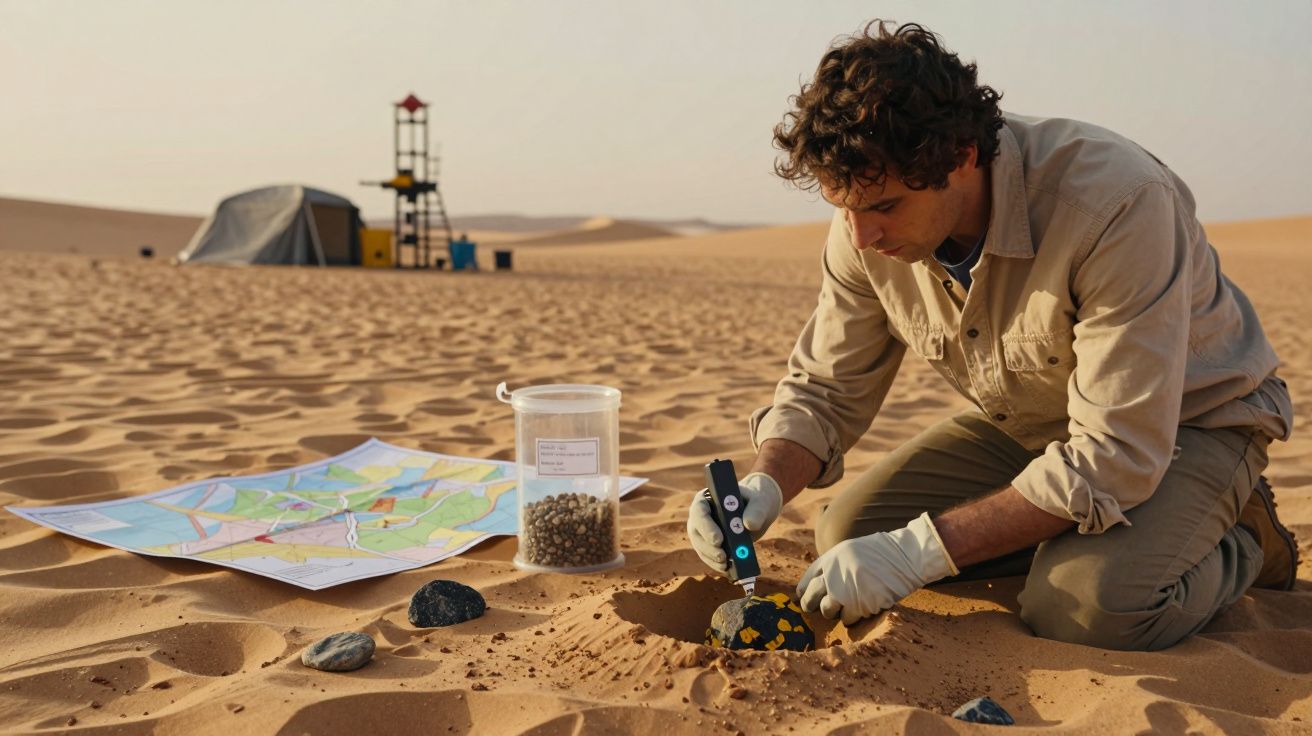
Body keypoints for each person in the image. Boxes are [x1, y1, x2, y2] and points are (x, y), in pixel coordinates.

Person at [687, 21, 1296, 651]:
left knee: (1089, 611)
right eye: (843, 207)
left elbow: (1117, 452)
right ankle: (1082, 537)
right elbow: (824, 388)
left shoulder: (1115, 203)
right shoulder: (864, 218)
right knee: (845, 533)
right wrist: (766, 482)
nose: (861, 234)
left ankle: (1242, 537)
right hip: (1037, 422)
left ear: (962, 158)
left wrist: (918, 552)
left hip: (1183, 426)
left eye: (886, 207)